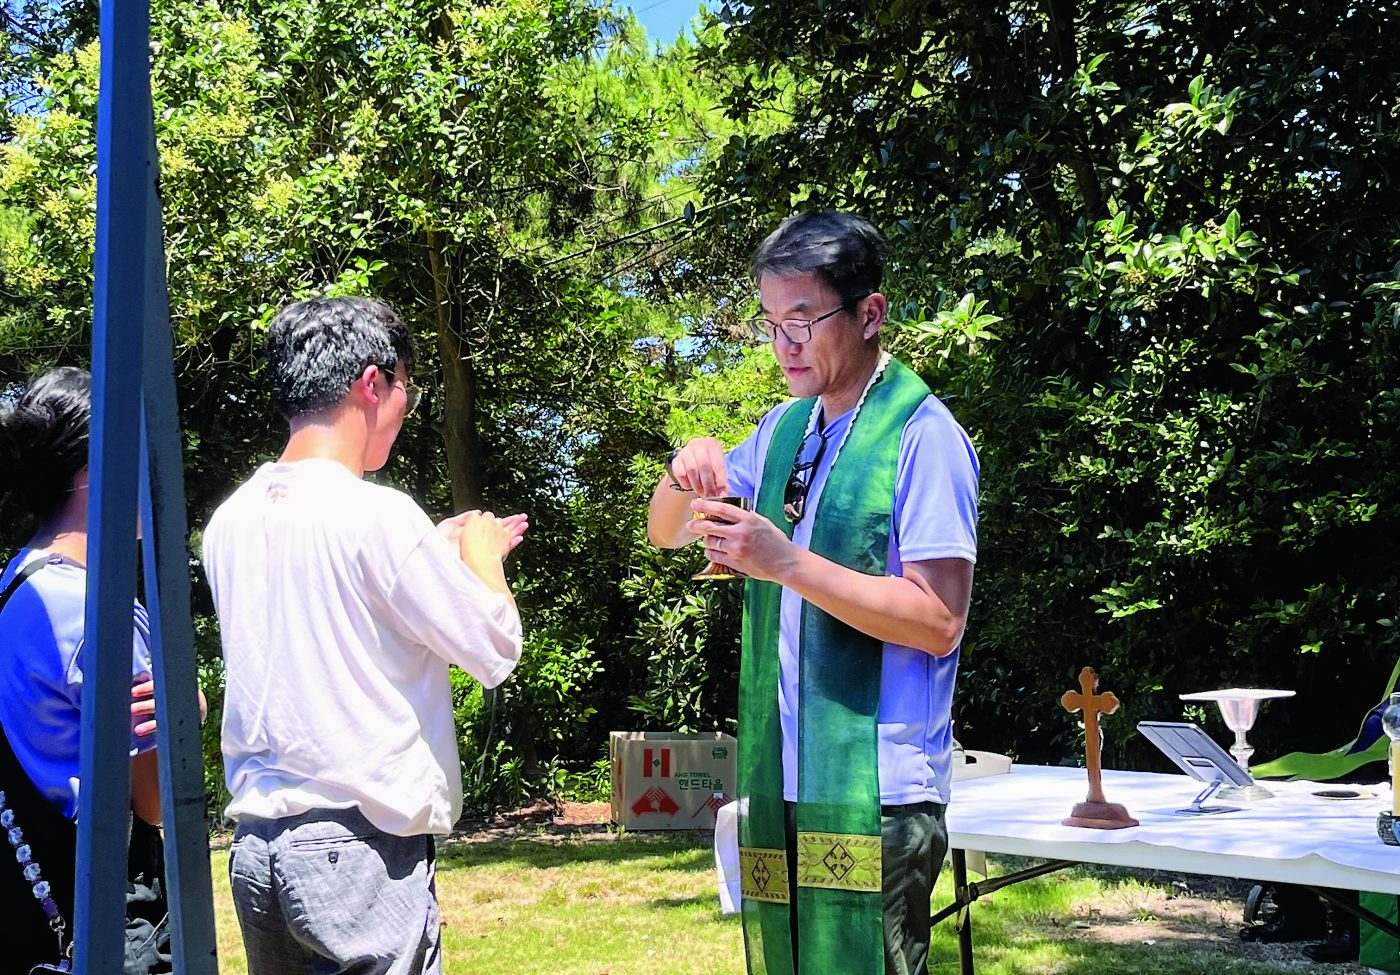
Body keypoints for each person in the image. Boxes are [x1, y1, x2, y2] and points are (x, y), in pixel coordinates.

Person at [648, 211, 979, 975]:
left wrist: (788, 563)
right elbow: (666, 529)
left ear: (871, 312)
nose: (783, 345)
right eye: (769, 323)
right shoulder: (786, 430)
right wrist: (682, 465)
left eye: (803, 320)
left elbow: (938, 620)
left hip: (879, 788)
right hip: (784, 778)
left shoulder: (923, 436)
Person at [204, 296, 527, 975]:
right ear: (372, 382)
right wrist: (483, 554)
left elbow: (336, 610)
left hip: (258, 846)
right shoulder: (378, 513)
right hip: (359, 850)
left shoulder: (230, 520)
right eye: (406, 385)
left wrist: (428, 555)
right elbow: (494, 647)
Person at [0, 366, 165, 972]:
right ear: (97, 469)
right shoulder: (96, 610)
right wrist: (187, 709)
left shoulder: (16, 585)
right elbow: (154, 801)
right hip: (105, 921)